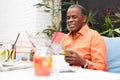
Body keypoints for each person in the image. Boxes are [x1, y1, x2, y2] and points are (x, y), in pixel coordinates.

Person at [60, 4, 107, 71]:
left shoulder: (94, 36)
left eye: (74, 17)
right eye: (68, 18)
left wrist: (83, 62)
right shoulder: (65, 38)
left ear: (84, 18)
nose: (70, 20)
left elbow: (102, 67)